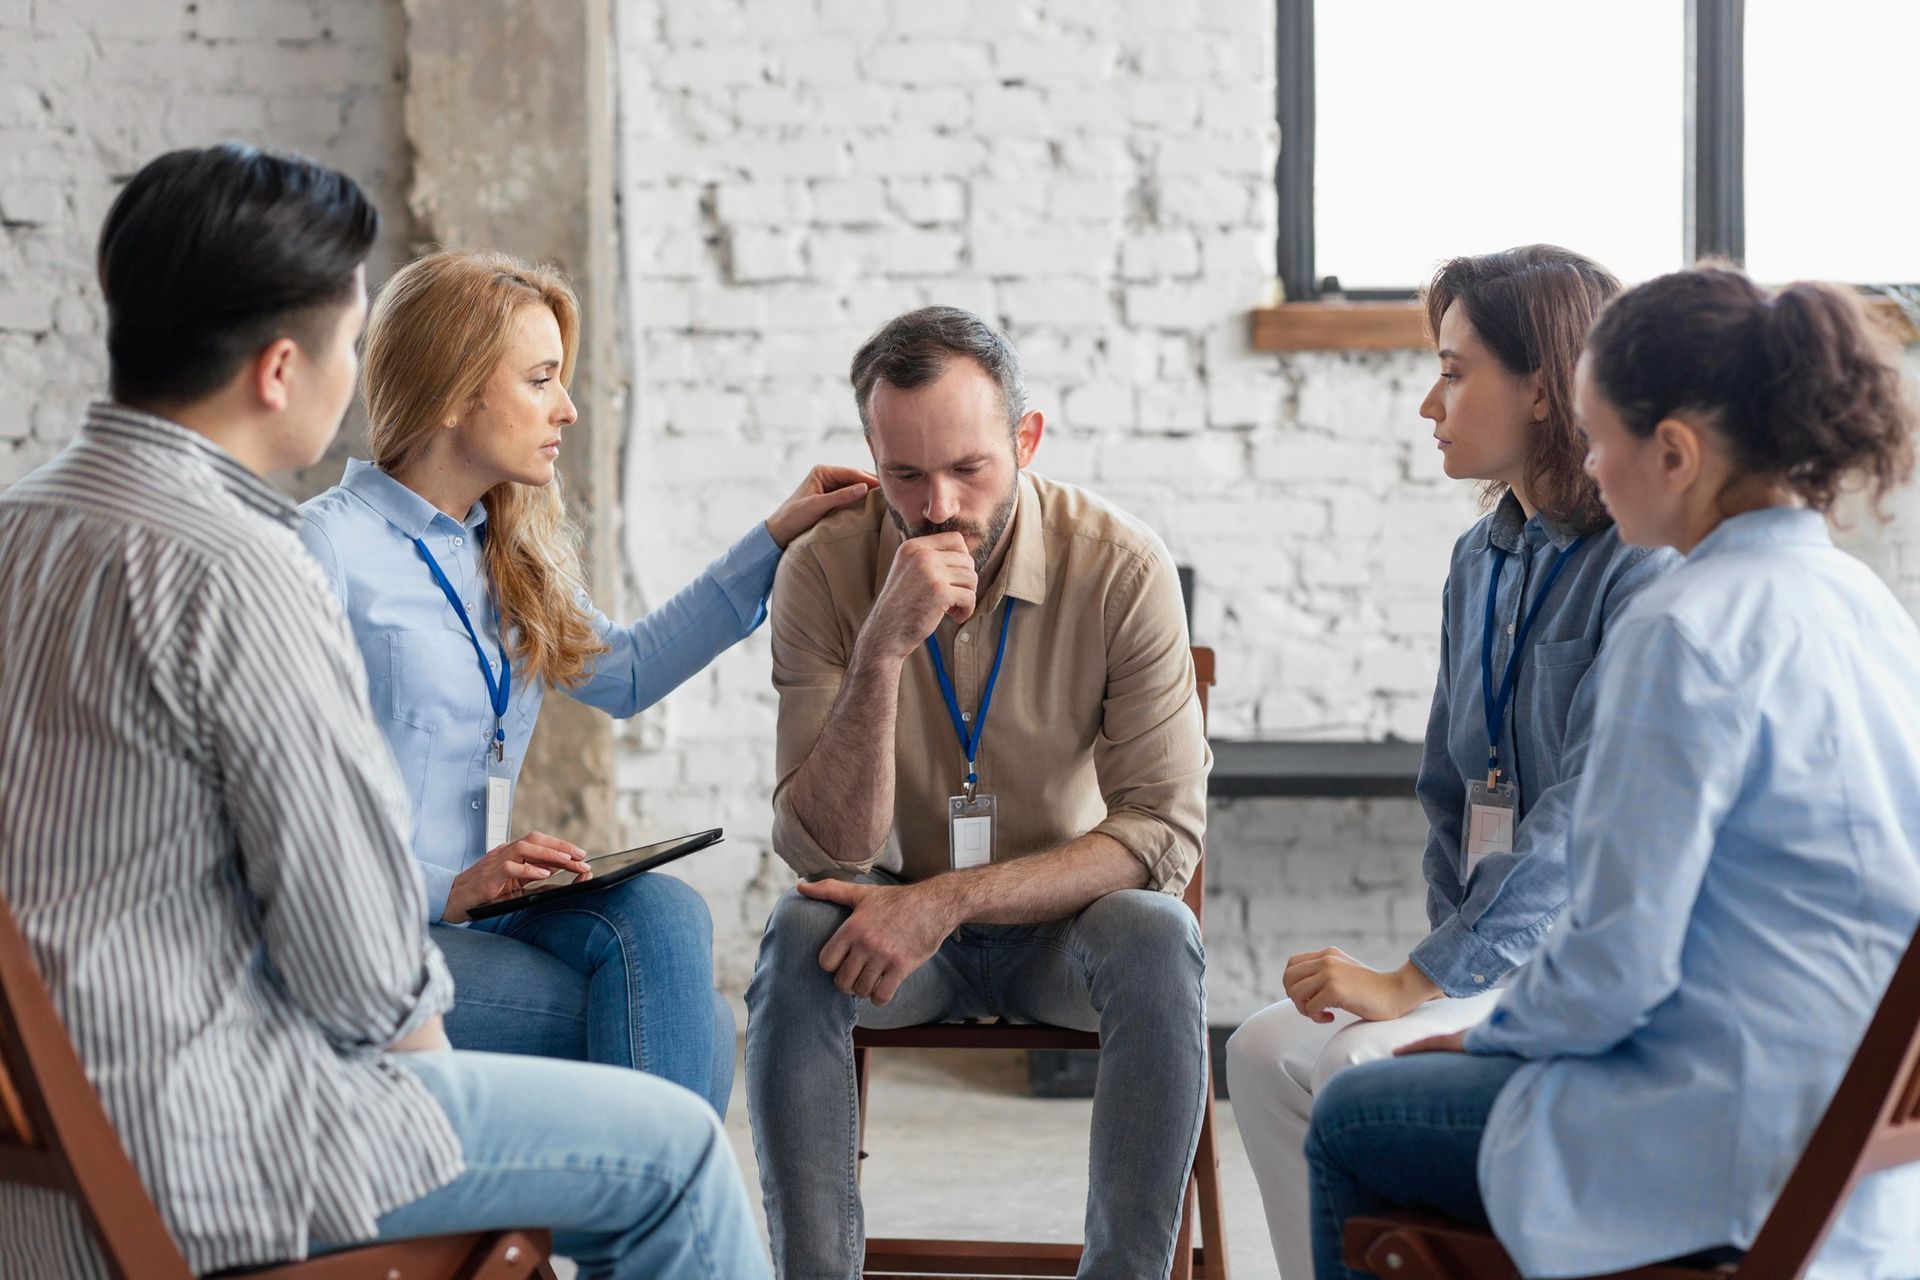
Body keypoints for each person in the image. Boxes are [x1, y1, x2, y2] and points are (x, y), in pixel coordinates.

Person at [0, 143, 767, 1280]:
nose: (358, 378)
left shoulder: (19, 527)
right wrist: (444, 1084)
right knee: (681, 1146)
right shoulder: (248, 568)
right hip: (222, 1134)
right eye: (351, 346)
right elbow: (361, 972)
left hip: (50, 1149)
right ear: (277, 369)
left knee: (657, 955)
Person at [1306, 264, 1920, 1279]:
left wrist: (1479, 1035)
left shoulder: (1679, 627)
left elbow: (1616, 961)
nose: (1584, 469)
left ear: (1673, 453)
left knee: (1351, 1113)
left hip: (1727, 1125)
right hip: (1859, 1128)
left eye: (1595, 441)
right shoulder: (1864, 606)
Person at [298, 248, 873, 1116]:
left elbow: (629, 670)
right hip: (360, 929)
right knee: (702, 1033)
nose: (566, 408)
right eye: (540, 380)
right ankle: (646, 1241)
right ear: (453, 391)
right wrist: (444, 888)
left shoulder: (501, 552)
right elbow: (275, 809)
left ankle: (631, 1234)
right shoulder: (321, 550)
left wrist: (774, 540)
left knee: (668, 913)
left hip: (479, 909)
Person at [1224, 245, 1677, 1279]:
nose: (1431, 402)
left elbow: (1583, 817)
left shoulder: (1639, 561)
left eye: (1455, 369)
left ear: (1544, 385)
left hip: (1582, 966)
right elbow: (1447, 782)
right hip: (1486, 958)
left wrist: (1418, 980)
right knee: (1257, 1049)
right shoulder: (1480, 559)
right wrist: (1435, 964)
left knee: (1348, 1064)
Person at [745, 306, 1212, 1279]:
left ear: (1026, 440)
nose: (939, 506)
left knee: (1159, 936)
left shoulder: (1122, 565)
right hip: (899, 946)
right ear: (874, 455)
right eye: (905, 475)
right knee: (794, 934)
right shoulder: (823, 570)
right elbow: (826, 850)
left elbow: (1160, 833)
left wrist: (944, 900)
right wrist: (880, 653)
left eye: (970, 468)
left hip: (1064, 931)